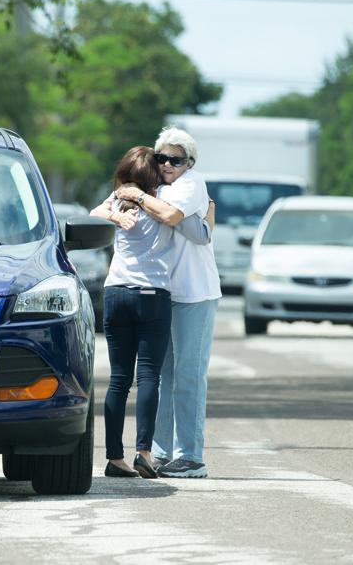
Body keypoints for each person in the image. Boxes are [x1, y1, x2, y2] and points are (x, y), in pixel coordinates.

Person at [90, 146, 212, 479]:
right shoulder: (164, 207)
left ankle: (114, 459)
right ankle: (144, 452)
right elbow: (201, 234)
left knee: (117, 380)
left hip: (115, 293)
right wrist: (210, 208)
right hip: (151, 295)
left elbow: (92, 214)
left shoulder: (117, 201)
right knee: (148, 378)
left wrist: (116, 213)